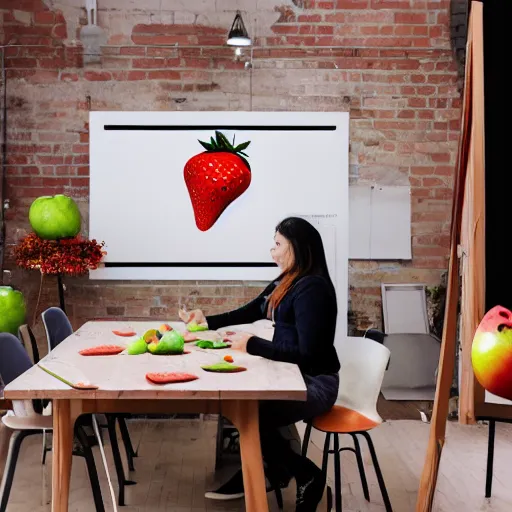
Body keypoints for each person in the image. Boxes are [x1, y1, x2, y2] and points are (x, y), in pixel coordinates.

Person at [179, 216, 340, 511]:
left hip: (315, 383)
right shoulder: (289, 280)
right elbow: (254, 308)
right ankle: (271, 469)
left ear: (298, 248)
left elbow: (309, 355)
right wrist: (208, 321)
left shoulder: (312, 290)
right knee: (245, 410)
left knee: (249, 415)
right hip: (289, 375)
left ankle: (303, 475)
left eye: (278, 245)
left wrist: (252, 344)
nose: (273, 252)